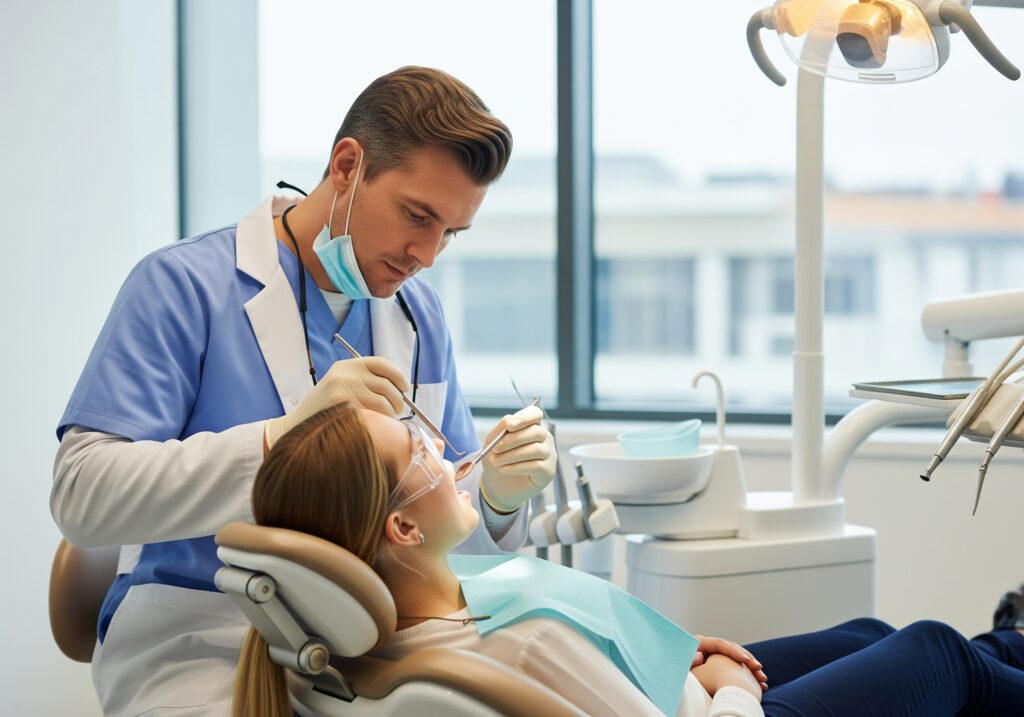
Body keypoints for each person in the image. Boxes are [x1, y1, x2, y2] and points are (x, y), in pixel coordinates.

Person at [51, 66, 557, 716]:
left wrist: (496, 501)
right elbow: (82, 495)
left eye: (450, 233)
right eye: (417, 215)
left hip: (378, 644)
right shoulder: (182, 288)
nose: (427, 253)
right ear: (347, 165)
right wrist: (279, 439)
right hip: (207, 639)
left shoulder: (416, 315)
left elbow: (437, 526)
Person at [235, 402, 1024, 717]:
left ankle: (1014, 641)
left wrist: (682, 651)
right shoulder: (520, 642)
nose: (446, 445)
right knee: (933, 651)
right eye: (421, 450)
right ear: (402, 529)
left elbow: (607, 650)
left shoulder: (402, 620)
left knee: (866, 630)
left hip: (679, 690)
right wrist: (723, 686)